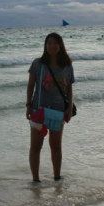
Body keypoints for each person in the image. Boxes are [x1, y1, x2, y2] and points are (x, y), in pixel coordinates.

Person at [26, 32, 75, 182]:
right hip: (39, 110)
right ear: (45, 46)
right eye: (49, 43)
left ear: (60, 46)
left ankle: (57, 177)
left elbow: (69, 88)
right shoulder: (38, 64)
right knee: (36, 146)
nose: (52, 46)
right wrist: (28, 105)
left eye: (55, 43)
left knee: (56, 146)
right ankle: (36, 180)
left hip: (58, 111)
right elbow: (30, 86)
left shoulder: (67, 66)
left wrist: (69, 108)